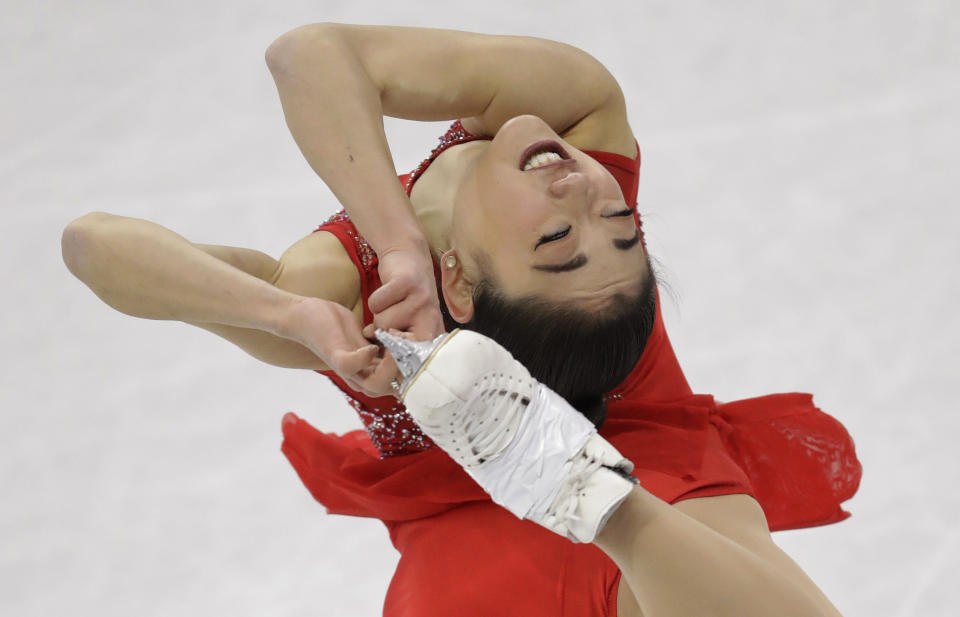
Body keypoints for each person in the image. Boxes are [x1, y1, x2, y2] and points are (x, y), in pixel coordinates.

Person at [61, 24, 861, 616]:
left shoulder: (354, 291)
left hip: (632, 429)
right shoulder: (580, 118)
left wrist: (298, 307)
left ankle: (598, 497)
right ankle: (599, 498)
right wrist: (324, 290)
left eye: (559, 240)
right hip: (463, 503)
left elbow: (95, 243)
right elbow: (305, 57)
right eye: (624, 228)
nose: (587, 196)